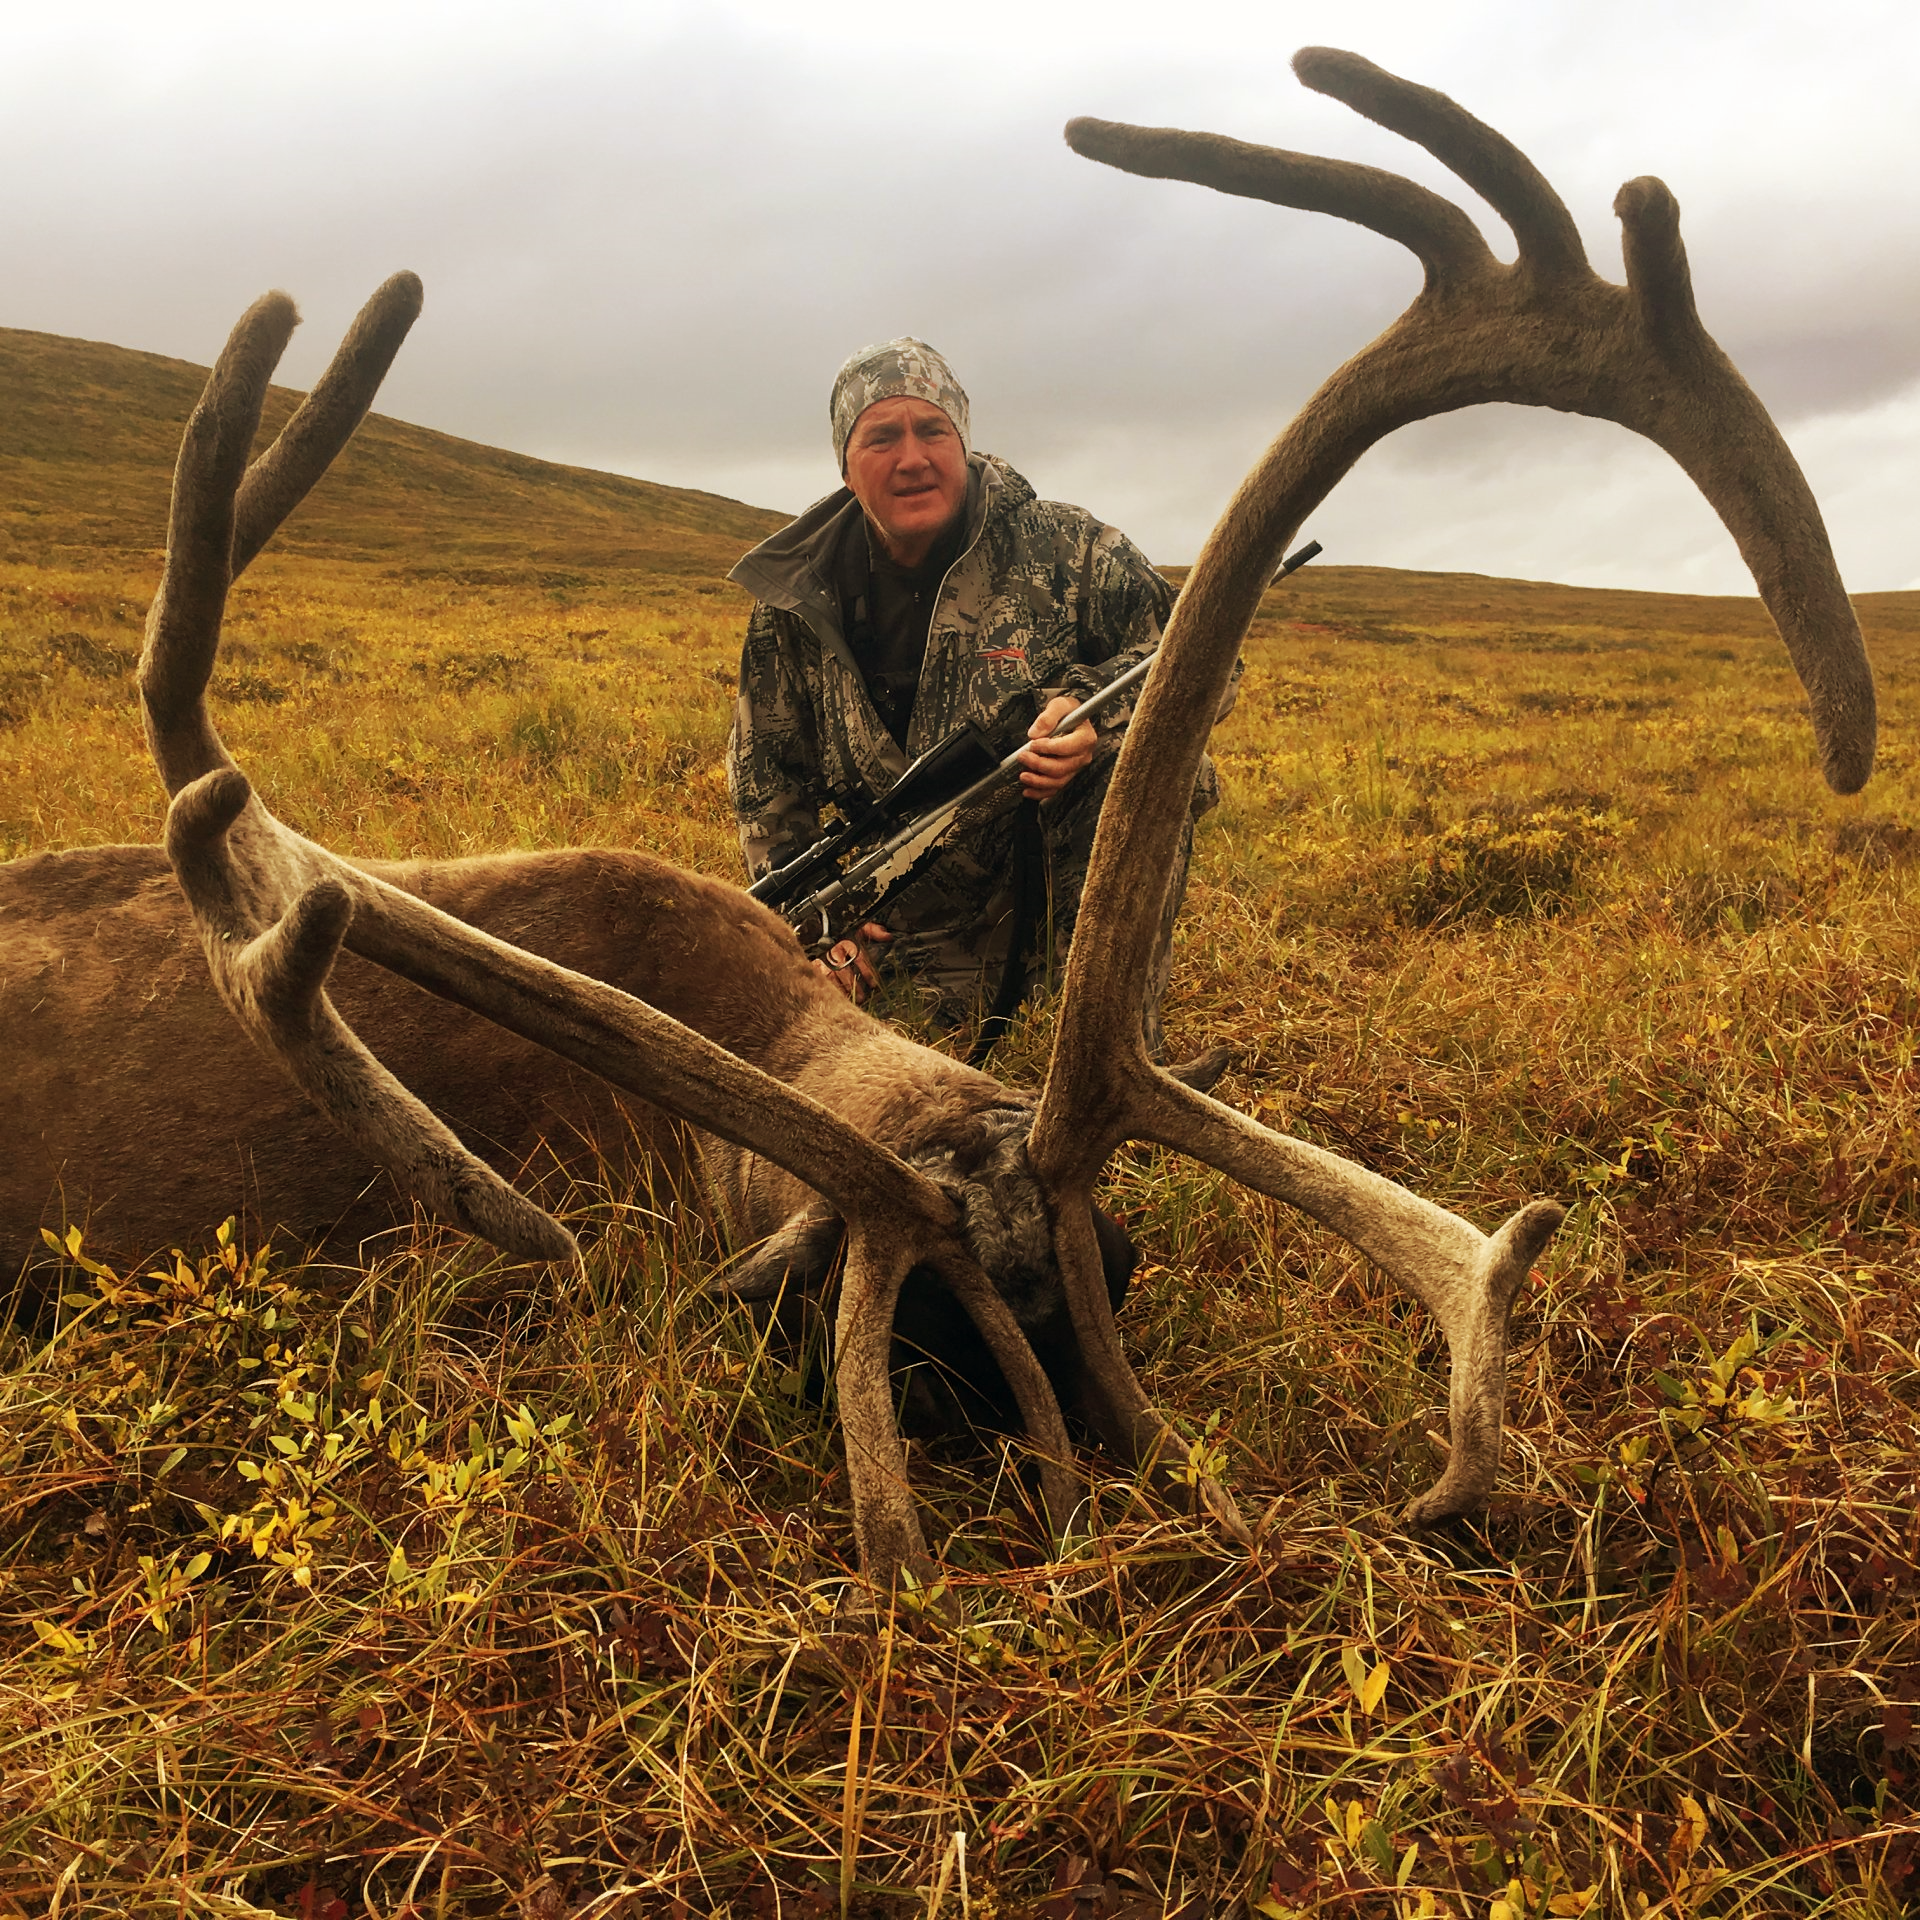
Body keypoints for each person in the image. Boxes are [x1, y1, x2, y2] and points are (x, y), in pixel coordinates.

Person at [726, 337, 1227, 1055]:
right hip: (901, 904)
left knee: (1148, 768)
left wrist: (1094, 718)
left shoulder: (1069, 548)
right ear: (845, 461)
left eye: (933, 430)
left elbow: (1205, 659)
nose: (912, 458)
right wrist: (815, 929)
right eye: (881, 437)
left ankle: (1117, 1049)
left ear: (962, 442)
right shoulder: (794, 598)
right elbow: (766, 779)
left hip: (1050, 881)